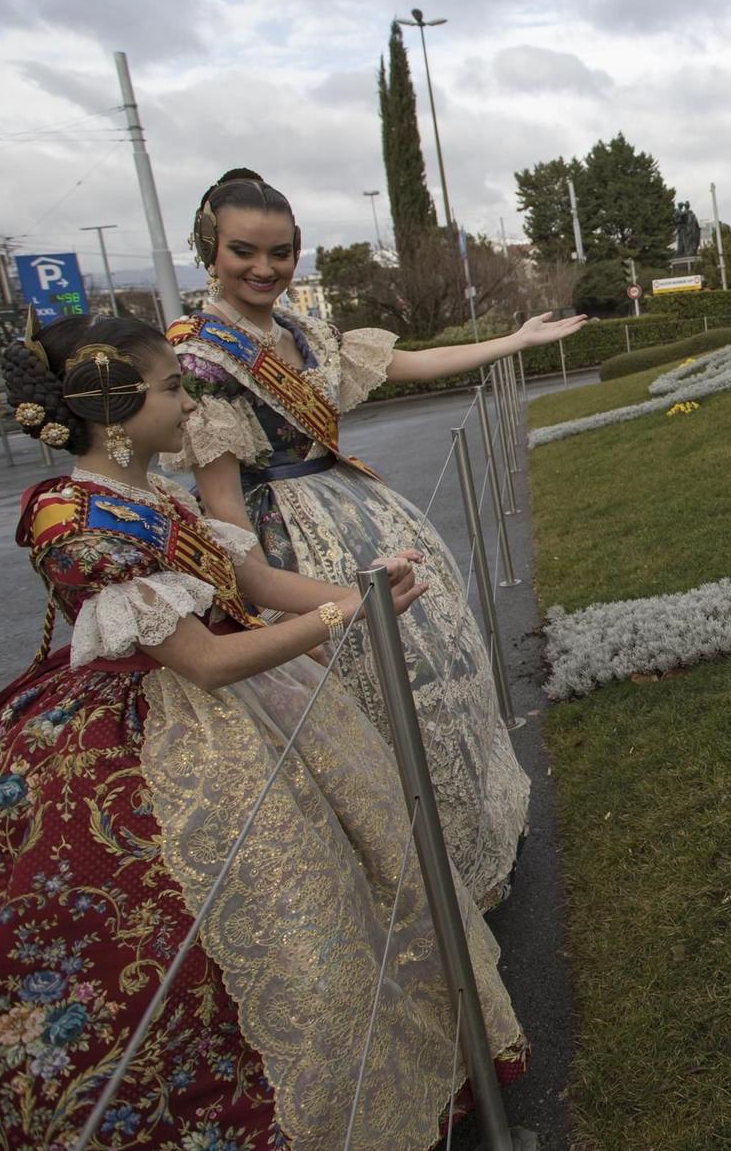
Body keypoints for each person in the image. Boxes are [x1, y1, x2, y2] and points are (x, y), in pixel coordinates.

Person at [0, 314, 526, 1149]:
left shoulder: (153, 493)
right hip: (160, 736)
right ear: (112, 404)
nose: (190, 404)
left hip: (249, 706)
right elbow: (204, 662)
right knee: (222, 935)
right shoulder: (71, 520)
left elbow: (245, 578)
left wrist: (360, 589)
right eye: (172, 387)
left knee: (333, 901)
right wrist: (343, 612)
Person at [165, 169, 587, 911]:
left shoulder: (300, 331)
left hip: (359, 509)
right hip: (289, 547)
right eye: (244, 251)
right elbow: (224, 510)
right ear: (210, 247)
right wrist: (284, 612)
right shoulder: (199, 358)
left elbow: (404, 363)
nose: (264, 268)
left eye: (281, 251)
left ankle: (464, 859)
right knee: (367, 710)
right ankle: (412, 898)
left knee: (437, 680)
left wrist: (513, 340)